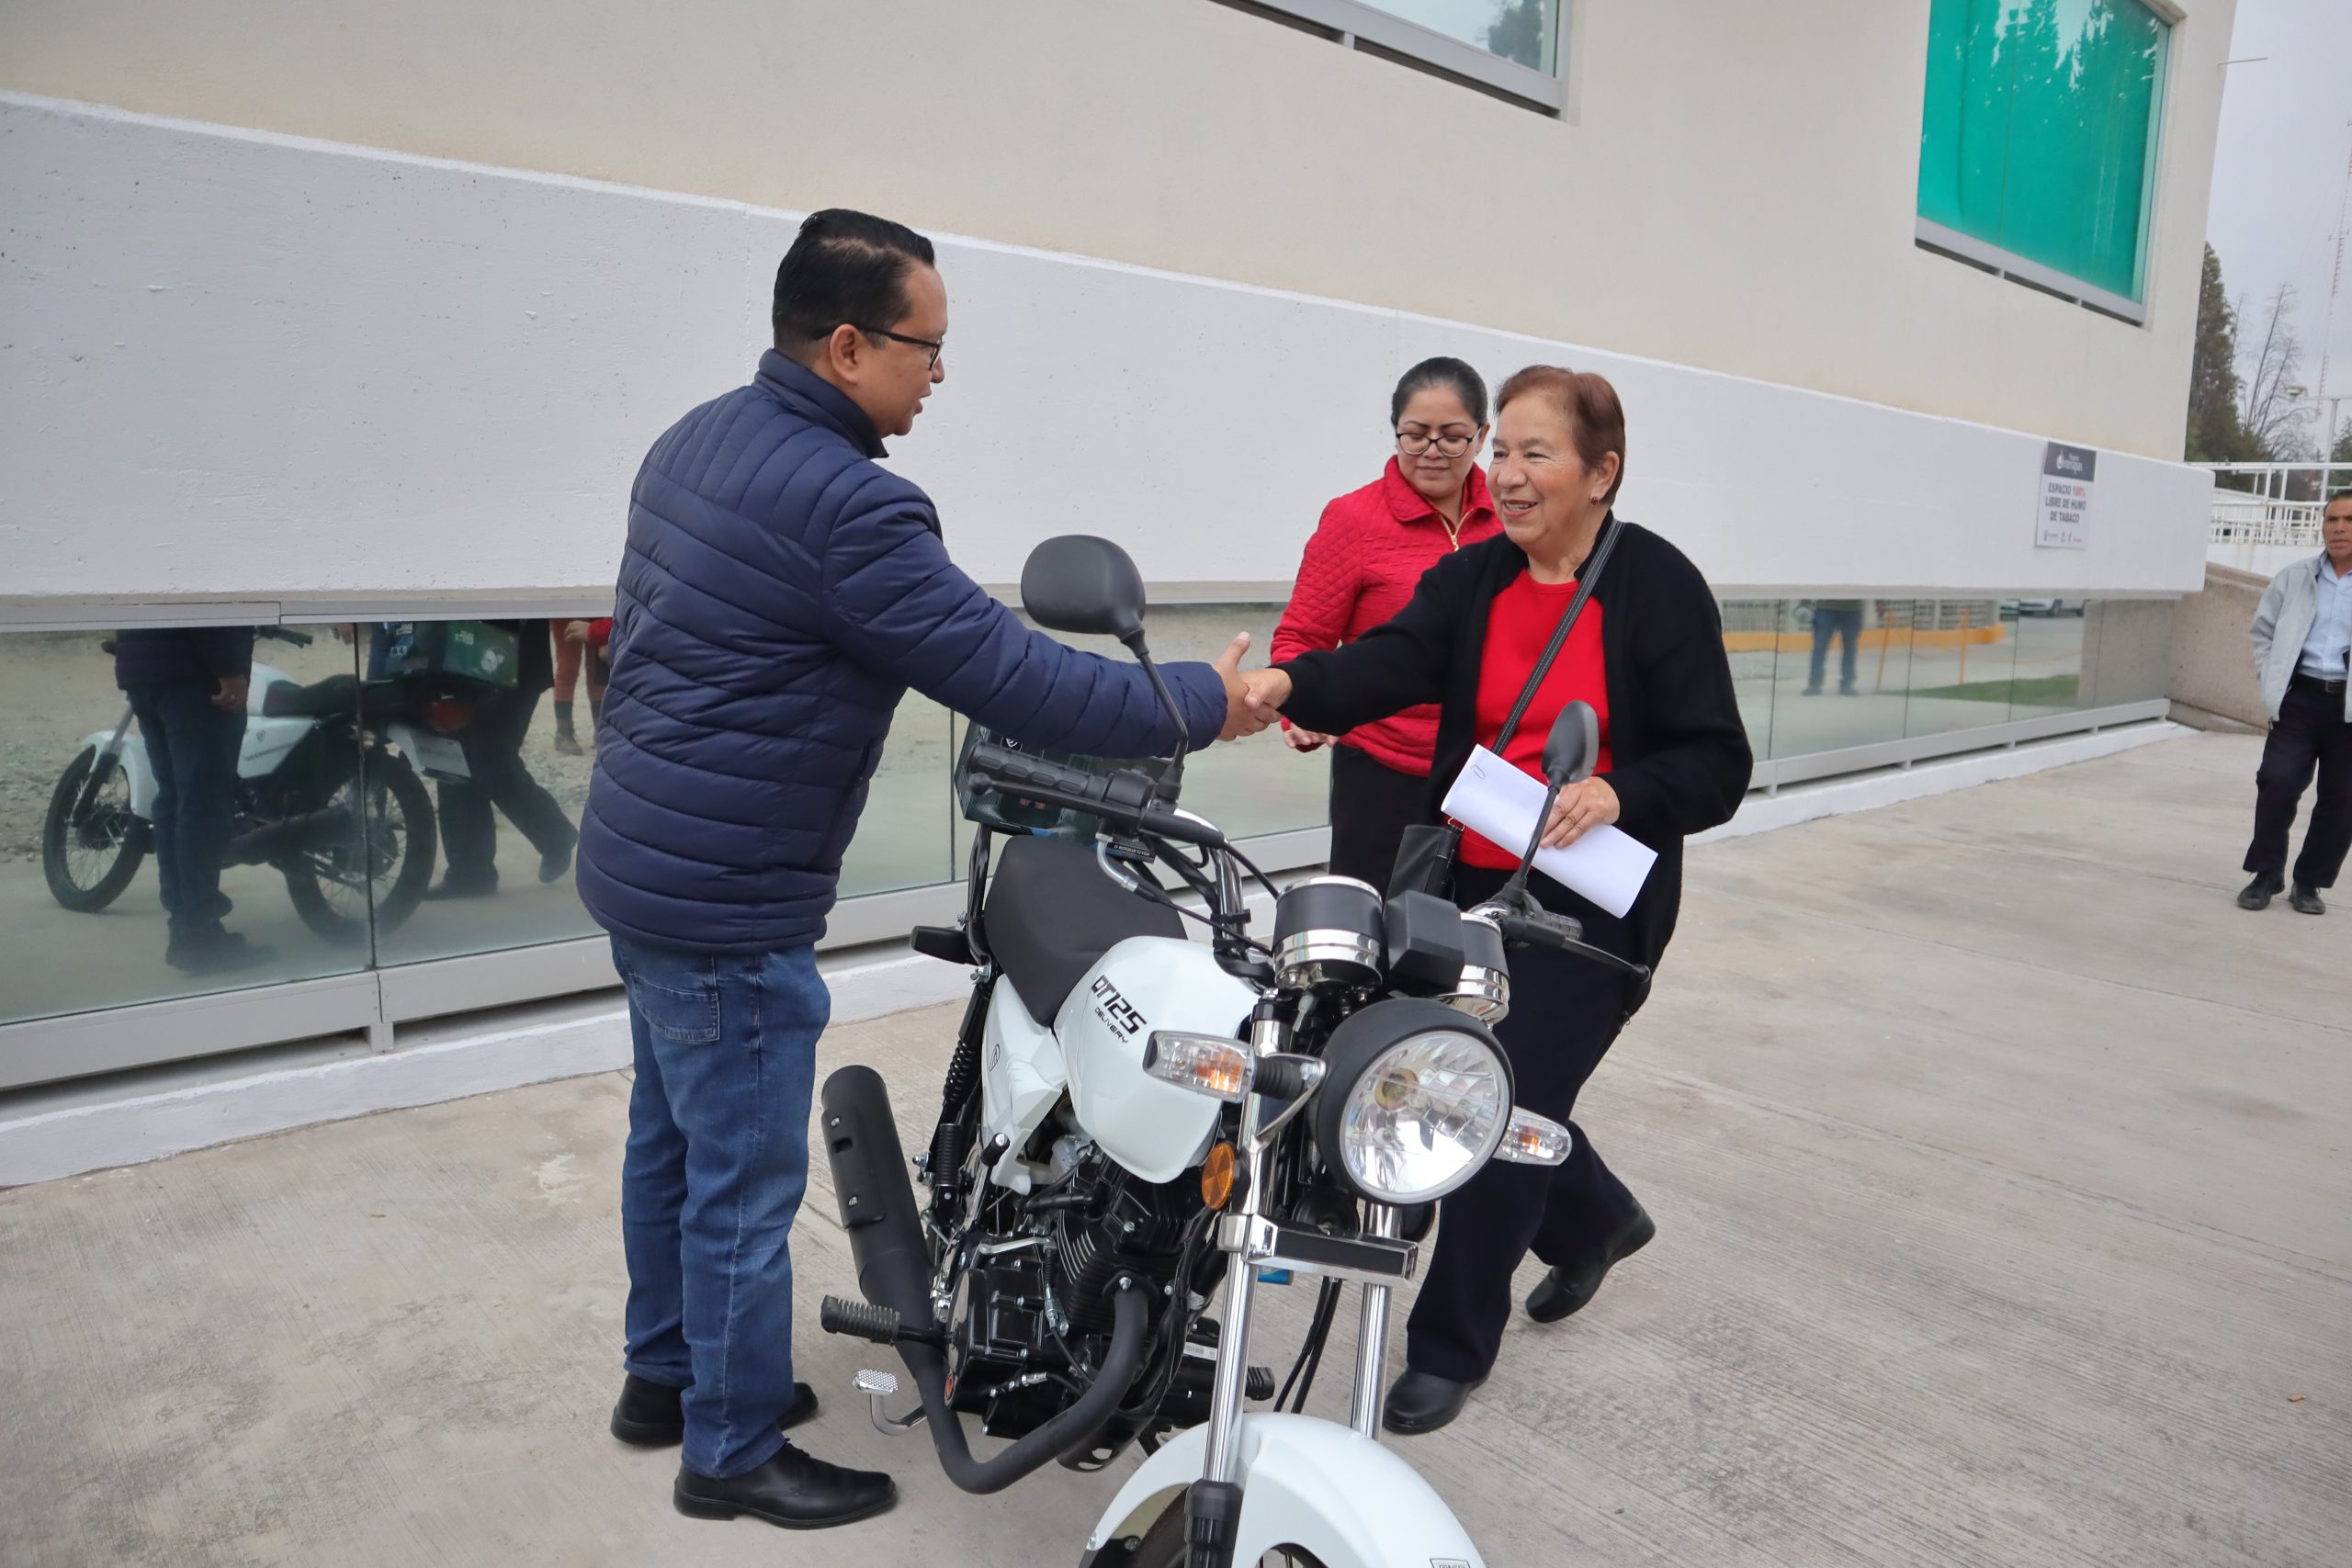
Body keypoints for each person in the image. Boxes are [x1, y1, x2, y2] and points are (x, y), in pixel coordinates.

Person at [575, 209, 1268, 1531]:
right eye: (926, 348)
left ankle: (663, 1377)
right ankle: (727, 1449)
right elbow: (1015, 677)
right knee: (740, 1184)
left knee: (669, 1139)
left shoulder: (696, 438)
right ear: (847, 346)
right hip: (728, 895)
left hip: (642, 860)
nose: (938, 376)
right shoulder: (851, 506)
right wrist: (1201, 701)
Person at [1239, 366, 1752, 1434]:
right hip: (1473, 883)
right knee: (1462, 1080)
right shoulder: (1474, 577)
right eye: (1502, 453)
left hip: (1594, 909)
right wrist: (1284, 685)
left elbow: (1717, 763)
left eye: (1534, 455)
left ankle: (1449, 1345)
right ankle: (1594, 1218)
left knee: (1493, 1103)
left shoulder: (1656, 585)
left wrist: (1621, 791)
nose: (1506, 476)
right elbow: (1387, 662)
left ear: (1600, 473)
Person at [1272, 358, 1501, 891]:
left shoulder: (1511, 518)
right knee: (1374, 921)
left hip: (1488, 768)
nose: (1432, 451)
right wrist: (1300, 707)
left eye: (1452, 437)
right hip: (1382, 770)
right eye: (1415, 435)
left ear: (1482, 435)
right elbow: (1302, 635)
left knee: (1478, 923)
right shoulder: (1353, 519)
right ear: (1395, 429)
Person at [112, 626, 271, 974]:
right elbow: (209, 608)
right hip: (193, 675)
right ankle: (200, 932)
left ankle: (184, 925)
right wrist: (229, 670)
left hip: (144, 672)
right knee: (202, 806)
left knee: (174, 800)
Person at [2238, 488, 2352, 915]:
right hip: (2300, 699)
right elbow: (2262, 632)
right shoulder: (2295, 577)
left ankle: (2309, 882)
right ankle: (2266, 873)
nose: (2339, 528)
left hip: (2349, 710)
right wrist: (2272, 682)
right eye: (2332, 519)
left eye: (2349, 520)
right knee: (2277, 782)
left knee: (2343, 799)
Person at [423, 619, 579, 898]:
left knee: (492, 759)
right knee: (454, 757)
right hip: (459, 650)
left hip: (511, 652)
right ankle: (470, 872)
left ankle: (554, 835)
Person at [550, 617, 608, 755]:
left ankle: (601, 729)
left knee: (598, 669)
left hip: (596, 609)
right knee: (567, 667)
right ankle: (564, 731)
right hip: (566, 610)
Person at [1803, 598, 1863, 696]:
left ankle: (1847, 685)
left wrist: (1880, 601)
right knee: (1819, 647)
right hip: (1826, 607)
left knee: (1850, 647)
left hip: (1852, 609)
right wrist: (1805, 601)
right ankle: (1814, 685)